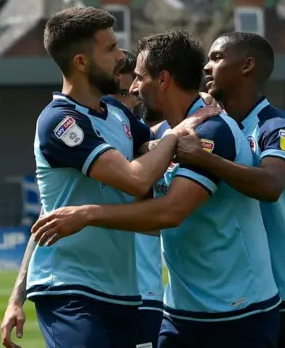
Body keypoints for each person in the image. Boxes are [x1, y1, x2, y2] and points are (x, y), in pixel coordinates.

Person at [31, 30, 281, 348]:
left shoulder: (212, 130)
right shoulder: (163, 136)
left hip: (238, 311)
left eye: (139, 78)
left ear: (163, 79)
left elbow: (170, 212)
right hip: (181, 312)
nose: (134, 88)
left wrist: (88, 215)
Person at [0, 8, 218, 348]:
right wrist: (178, 133)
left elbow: (152, 146)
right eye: (111, 49)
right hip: (71, 288)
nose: (120, 57)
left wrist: (192, 108)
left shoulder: (116, 114)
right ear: (82, 62)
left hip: (122, 291)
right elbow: (136, 179)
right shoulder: (60, 123)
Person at [173, 32, 285, 348]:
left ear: (247, 65)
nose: (207, 67)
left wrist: (203, 158)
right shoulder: (212, 124)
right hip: (236, 298)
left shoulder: (276, 126)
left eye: (217, 58)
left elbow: (270, 185)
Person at [103, 48, 166, 348]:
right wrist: (16, 297)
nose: (122, 102)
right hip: (93, 294)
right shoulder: (85, 143)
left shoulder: (155, 144)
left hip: (144, 296)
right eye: (113, 95)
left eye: (127, 94)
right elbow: (45, 217)